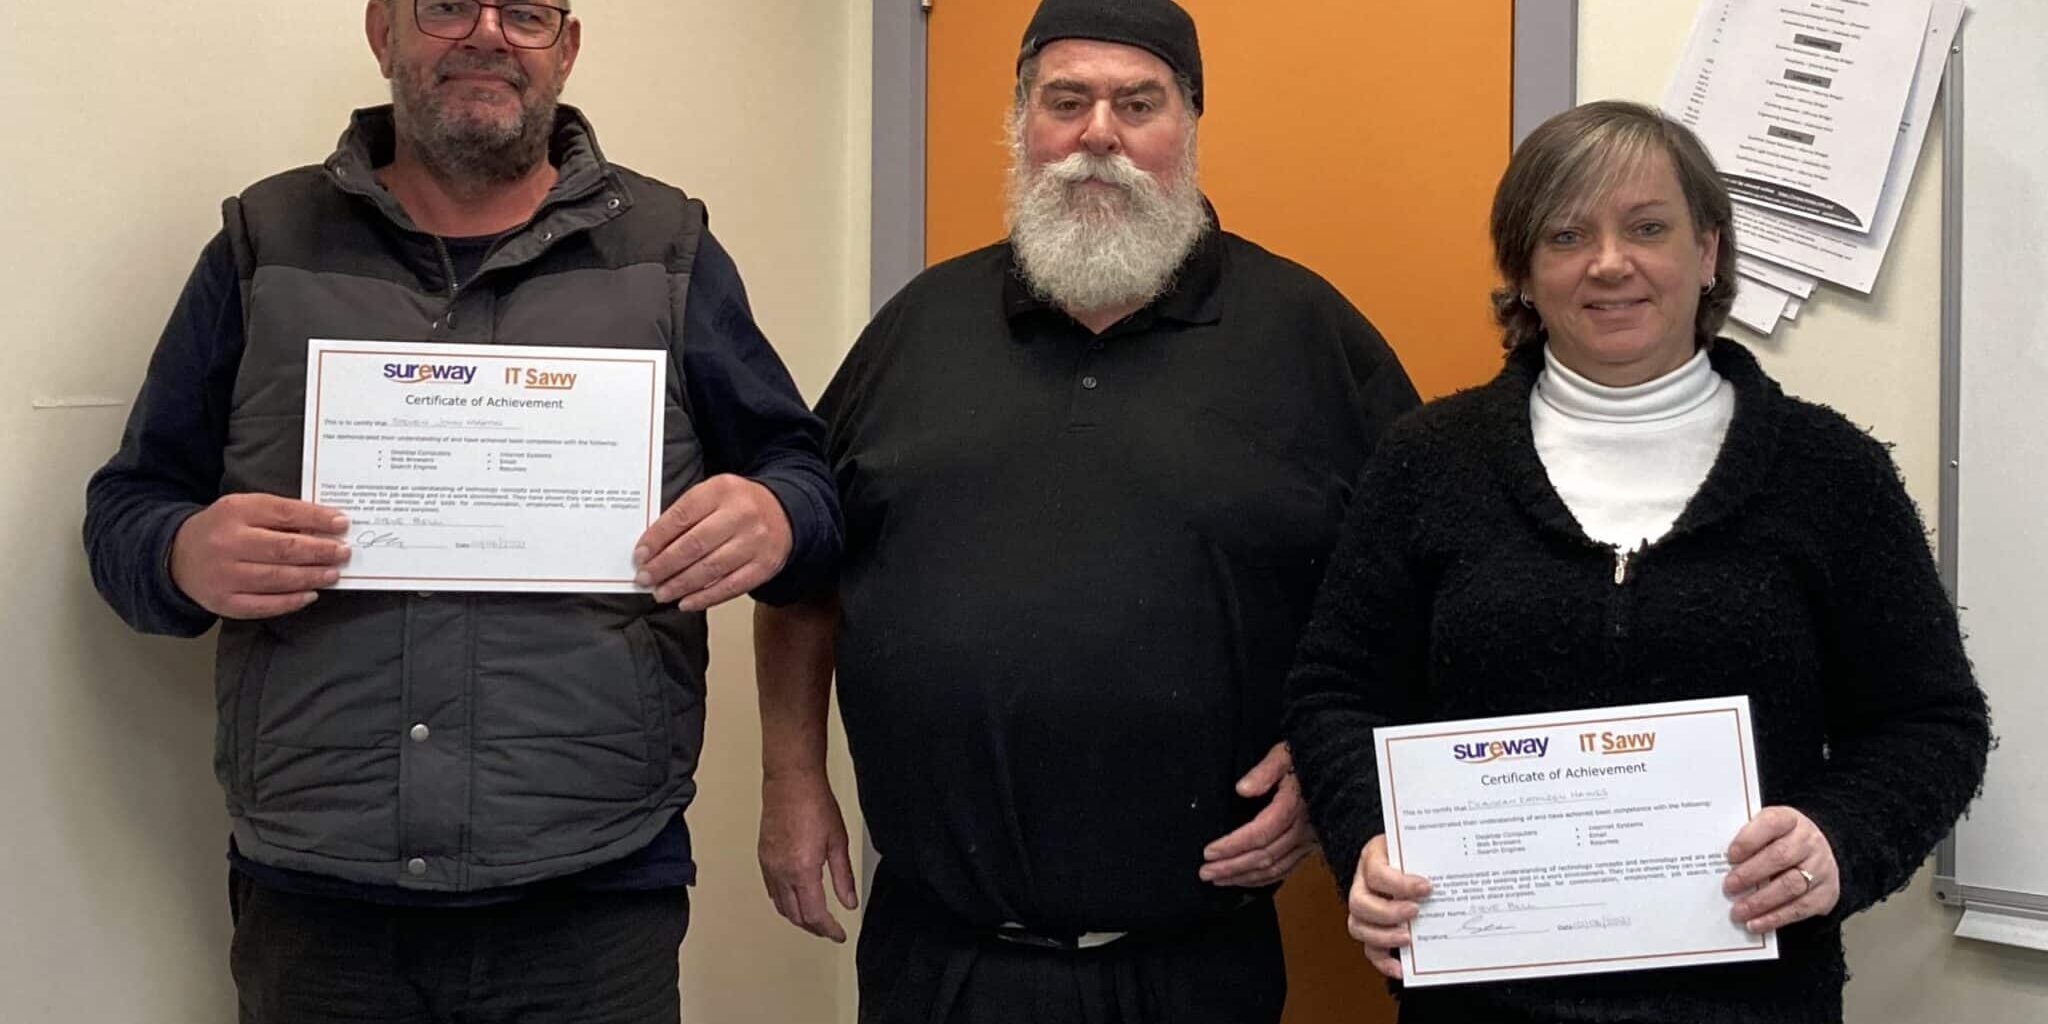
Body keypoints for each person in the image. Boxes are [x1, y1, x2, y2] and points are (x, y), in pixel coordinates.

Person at [81, 2, 840, 1021]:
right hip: (320, 907)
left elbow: (809, 479)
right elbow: (125, 509)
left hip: (591, 898)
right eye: (446, 5)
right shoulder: (261, 244)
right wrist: (179, 552)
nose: (486, 34)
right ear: (382, 31)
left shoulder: (668, 249)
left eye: (524, 12)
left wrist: (776, 513)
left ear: (565, 48)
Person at [752, 1, 1420, 1020]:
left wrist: (1333, 772)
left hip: (1197, 962)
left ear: (1188, 121)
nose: (1096, 133)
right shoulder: (916, 330)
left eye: (1136, 102)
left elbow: (1416, 599)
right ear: (1022, 118)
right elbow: (802, 577)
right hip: (939, 960)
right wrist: (792, 786)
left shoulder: (1311, 341)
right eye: (1065, 100)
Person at [1283, 100, 1992, 1024]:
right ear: (1525, 274)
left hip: (1752, 1005)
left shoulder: (1828, 473)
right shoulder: (1427, 464)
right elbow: (1337, 691)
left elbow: (1932, 723)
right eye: (1567, 233)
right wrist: (1367, 837)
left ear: (1708, 252)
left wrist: (1836, 840)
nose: (1610, 262)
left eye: (1648, 228)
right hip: (1481, 1004)